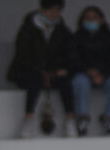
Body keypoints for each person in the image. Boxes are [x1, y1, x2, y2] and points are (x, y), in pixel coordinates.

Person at [8, 0, 77, 139]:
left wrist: (59, 70)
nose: (54, 13)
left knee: (66, 82)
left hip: (55, 73)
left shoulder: (63, 31)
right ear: (42, 9)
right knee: (34, 80)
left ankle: (70, 120)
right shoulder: (28, 29)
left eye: (57, 10)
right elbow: (23, 55)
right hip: (30, 72)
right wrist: (40, 70)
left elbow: (69, 54)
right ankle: (28, 119)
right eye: (50, 9)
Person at [68, 5, 110, 135]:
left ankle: (108, 118)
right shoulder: (75, 38)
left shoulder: (107, 37)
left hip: (104, 75)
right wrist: (87, 71)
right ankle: (83, 118)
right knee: (80, 82)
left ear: (102, 20)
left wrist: (103, 73)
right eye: (87, 18)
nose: (91, 21)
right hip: (83, 73)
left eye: (94, 18)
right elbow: (72, 59)